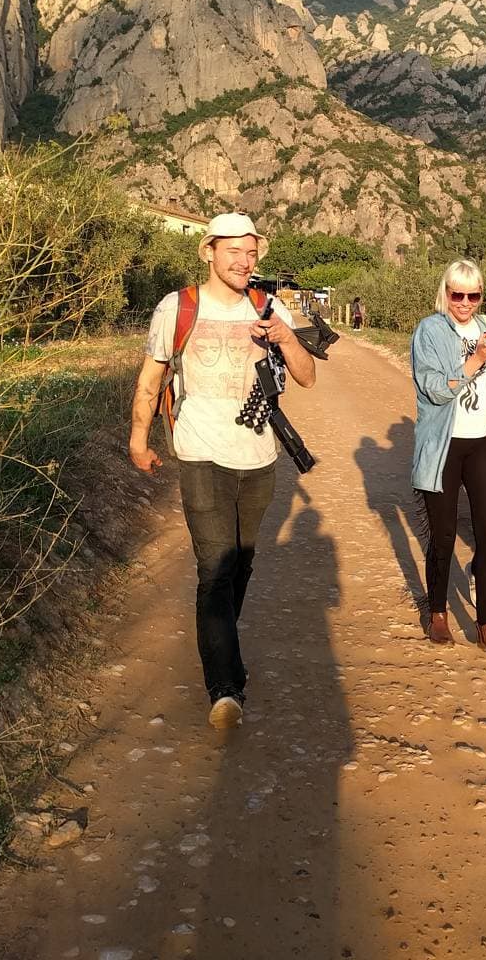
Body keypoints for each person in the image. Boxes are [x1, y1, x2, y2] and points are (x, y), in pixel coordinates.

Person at [128, 212, 316, 730]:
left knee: (242, 564)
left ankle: (217, 643)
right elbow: (151, 380)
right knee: (214, 565)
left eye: (251, 252)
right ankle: (226, 688)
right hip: (200, 453)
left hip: (258, 459)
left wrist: (286, 337)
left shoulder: (268, 307)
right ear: (209, 252)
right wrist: (138, 441)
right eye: (233, 250)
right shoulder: (178, 308)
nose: (243, 261)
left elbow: (307, 378)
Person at [410, 259, 486, 659]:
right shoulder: (429, 331)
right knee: (441, 538)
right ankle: (438, 613)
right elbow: (434, 388)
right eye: (457, 294)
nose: (465, 302)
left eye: (473, 295)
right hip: (444, 444)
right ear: (446, 292)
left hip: (482, 443)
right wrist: (473, 362)